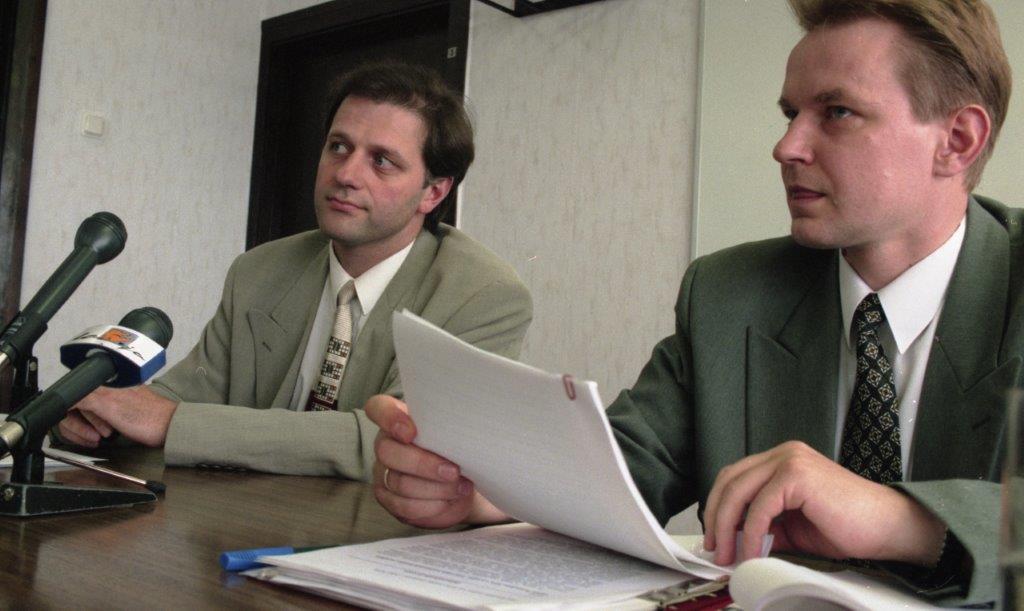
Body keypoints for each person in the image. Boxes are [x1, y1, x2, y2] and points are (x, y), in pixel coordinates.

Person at [366, 1, 1013, 605]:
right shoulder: (730, 293)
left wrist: (900, 519)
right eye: (790, 114)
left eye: (836, 112)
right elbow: (621, 467)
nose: (787, 146)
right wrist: (482, 486)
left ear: (957, 140)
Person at [56, 62, 533, 480]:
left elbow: (398, 442)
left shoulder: (482, 294)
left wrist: (174, 424)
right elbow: (179, 395)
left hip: (381, 540)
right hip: (240, 527)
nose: (346, 174)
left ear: (434, 192)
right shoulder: (259, 271)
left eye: (382, 161)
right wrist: (97, 417)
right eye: (339, 147)